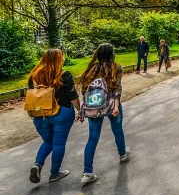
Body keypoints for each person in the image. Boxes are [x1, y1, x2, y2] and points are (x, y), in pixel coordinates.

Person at [79, 44, 130, 185]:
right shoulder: (116, 67)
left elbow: (85, 91)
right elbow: (117, 89)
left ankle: (87, 172)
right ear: (111, 54)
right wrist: (116, 105)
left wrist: (83, 109)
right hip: (111, 103)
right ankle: (122, 154)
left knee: (92, 138)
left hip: (94, 106)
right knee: (117, 130)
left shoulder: (91, 69)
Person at [27, 49, 80, 184]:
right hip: (61, 112)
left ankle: (38, 164)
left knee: (48, 141)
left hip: (40, 114)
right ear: (58, 59)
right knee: (58, 143)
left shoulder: (34, 76)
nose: (63, 59)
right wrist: (80, 110)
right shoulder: (63, 75)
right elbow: (73, 97)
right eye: (62, 57)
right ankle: (54, 173)